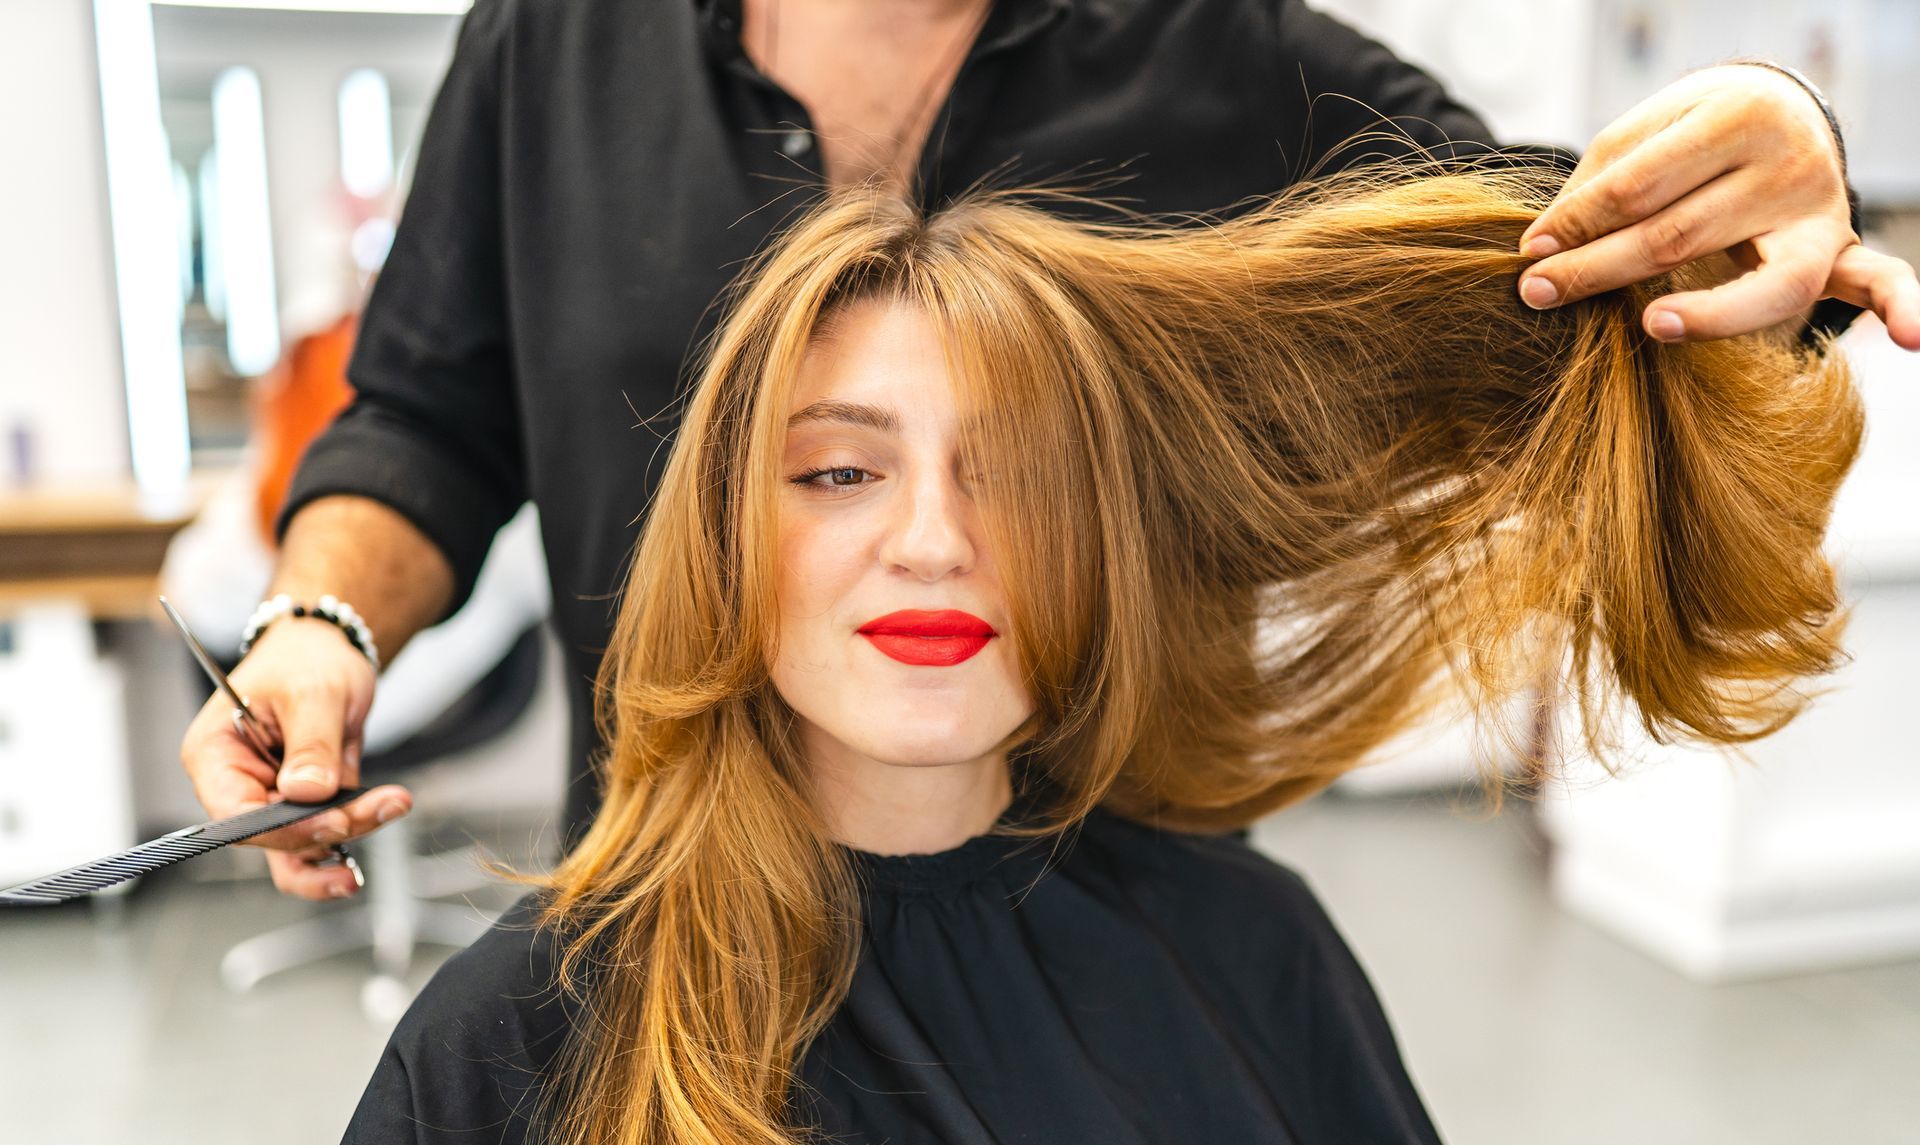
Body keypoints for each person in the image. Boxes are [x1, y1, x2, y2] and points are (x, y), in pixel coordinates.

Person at [291, 162, 1863, 1145]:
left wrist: (1752, 196)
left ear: (1100, 537)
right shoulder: (521, 1044)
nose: (930, 538)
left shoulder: (1254, 951)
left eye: (1014, 474)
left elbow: (1574, 232)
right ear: (726, 539)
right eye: (840, 470)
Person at [177, 0, 1919, 903]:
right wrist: (318, 631)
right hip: (669, 892)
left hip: (1117, 904)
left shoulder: (1222, 55)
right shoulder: (551, 46)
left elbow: (1574, 270)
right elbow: (422, 411)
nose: (927, 542)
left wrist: (1771, 170)